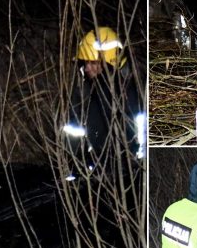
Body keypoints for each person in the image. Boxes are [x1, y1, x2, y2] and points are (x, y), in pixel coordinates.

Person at [61, 26, 145, 180]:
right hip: (95, 176)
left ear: (108, 62)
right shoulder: (90, 91)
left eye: (92, 63)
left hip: (123, 178)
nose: (86, 68)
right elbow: (76, 134)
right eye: (85, 63)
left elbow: (132, 142)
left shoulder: (124, 95)